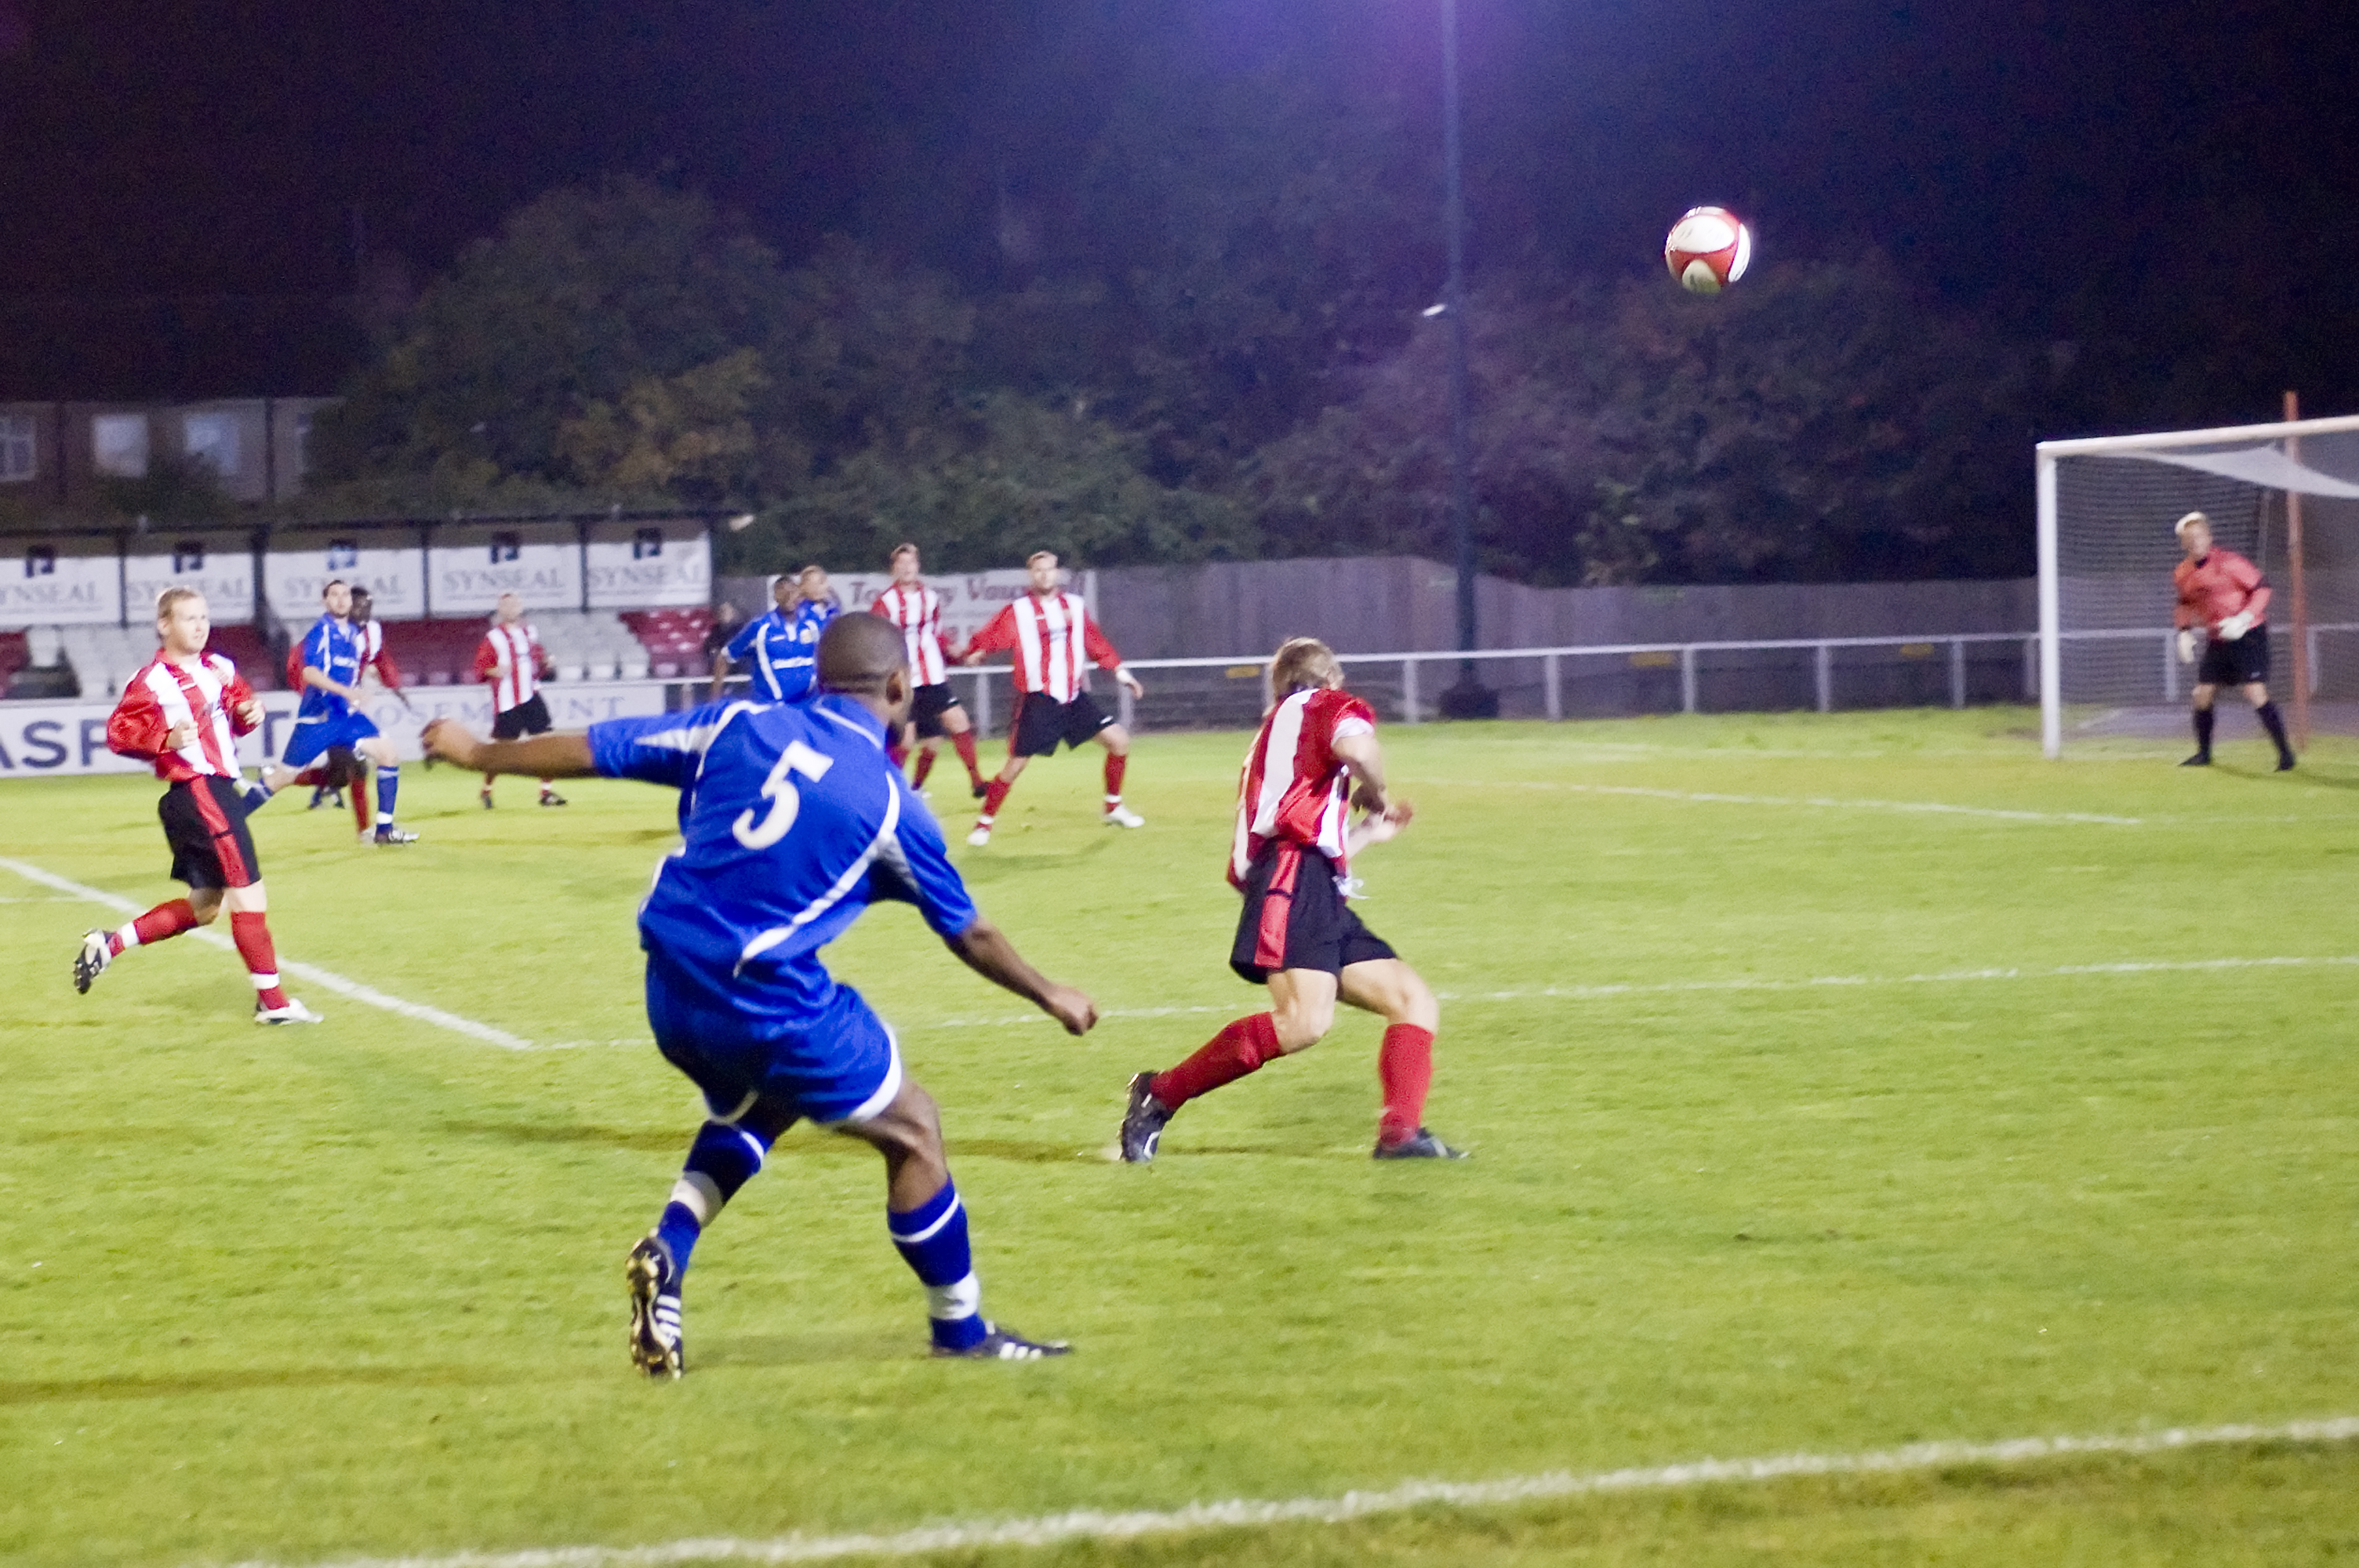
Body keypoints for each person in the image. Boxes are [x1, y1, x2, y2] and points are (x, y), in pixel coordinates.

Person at [420, 614, 1093, 1374]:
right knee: (913, 1125)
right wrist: (1049, 992)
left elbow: (596, 746)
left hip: (670, 988)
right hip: (763, 997)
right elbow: (967, 932)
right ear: (900, 687)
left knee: (767, 1100)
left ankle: (667, 1251)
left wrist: (477, 751)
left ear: (813, 676)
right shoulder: (888, 800)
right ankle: (962, 1331)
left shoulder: (735, 722)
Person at [1119, 637, 1463, 1163]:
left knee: (1412, 1001)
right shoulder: (1325, 705)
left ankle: (1401, 1134)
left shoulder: (1280, 730)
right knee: (1304, 1022)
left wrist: (1368, 833)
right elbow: (1357, 749)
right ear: (1333, 679)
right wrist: (1378, 791)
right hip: (1293, 880)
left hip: (1308, 882)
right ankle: (1159, 1094)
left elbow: (1306, 831)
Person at [73, 587, 322, 1024]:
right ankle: (275, 1005)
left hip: (211, 793)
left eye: (204, 617)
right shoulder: (152, 679)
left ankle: (109, 944)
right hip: (198, 791)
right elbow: (118, 732)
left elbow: (238, 713)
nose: (200, 625)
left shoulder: (220, 667)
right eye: (189, 618)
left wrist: (250, 713)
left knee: (206, 906)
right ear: (164, 625)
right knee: (249, 895)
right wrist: (163, 740)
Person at [958, 550, 1146, 846]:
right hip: (1039, 700)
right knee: (1015, 766)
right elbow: (991, 637)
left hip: (1072, 697)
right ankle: (984, 823)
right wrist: (976, 652)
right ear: (1031, 575)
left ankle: (1113, 806)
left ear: (1057, 573)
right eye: (1038, 570)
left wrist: (1123, 675)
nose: (1044, 575)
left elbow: (1096, 644)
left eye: (1049, 569)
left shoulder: (1074, 606)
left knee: (1119, 742)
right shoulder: (1019, 611)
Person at [283, 579, 417, 844]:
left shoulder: (372, 632)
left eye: (369, 605)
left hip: (350, 712)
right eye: (359, 604)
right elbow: (300, 665)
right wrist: (315, 697)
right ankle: (368, 831)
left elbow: (381, 661)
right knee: (353, 770)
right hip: (330, 711)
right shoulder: (328, 633)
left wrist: (396, 689)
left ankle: (280, 778)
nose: (364, 609)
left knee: (340, 775)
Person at [2173, 510, 2295, 771]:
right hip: (2218, 639)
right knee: (2202, 694)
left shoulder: (2229, 562)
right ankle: (2204, 754)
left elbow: (2262, 587)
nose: (2195, 542)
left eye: (2199, 536)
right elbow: (2184, 604)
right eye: (2189, 538)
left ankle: (2286, 755)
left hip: (2248, 634)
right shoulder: (2183, 572)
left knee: (2254, 691)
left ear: (2209, 537)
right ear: (2183, 543)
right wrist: (2184, 631)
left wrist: (2243, 618)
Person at [870, 543, 987, 799]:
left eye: (910, 563)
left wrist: (955, 652)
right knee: (906, 740)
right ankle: (886, 789)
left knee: (953, 725)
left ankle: (976, 782)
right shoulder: (885, 603)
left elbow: (937, 635)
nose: (906, 568)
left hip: (933, 676)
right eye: (901, 564)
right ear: (894, 569)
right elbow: (877, 639)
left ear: (918, 566)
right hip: (901, 680)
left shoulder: (930, 598)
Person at [472, 591, 565, 808]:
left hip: (531, 695)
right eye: (507, 605)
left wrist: (546, 663)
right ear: (500, 610)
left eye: (515, 605)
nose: (512, 609)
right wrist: (495, 670)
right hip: (507, 701)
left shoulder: (529, 632)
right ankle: (486, 790)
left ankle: (546, 793)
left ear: (520, 608)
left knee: (545, 743)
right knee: (501, 751)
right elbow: (479, 669)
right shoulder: (493, 638)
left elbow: (537, 659)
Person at [712, 566, 836, 702]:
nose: (788, 596)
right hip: (771, 709)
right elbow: (724, 657)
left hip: (807, 706)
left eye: (792, 592)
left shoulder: (814, 621)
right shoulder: (760, 627)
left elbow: (832, 652)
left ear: (798, 595)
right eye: (782, 592)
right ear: (775, 597)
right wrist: (714, 701)